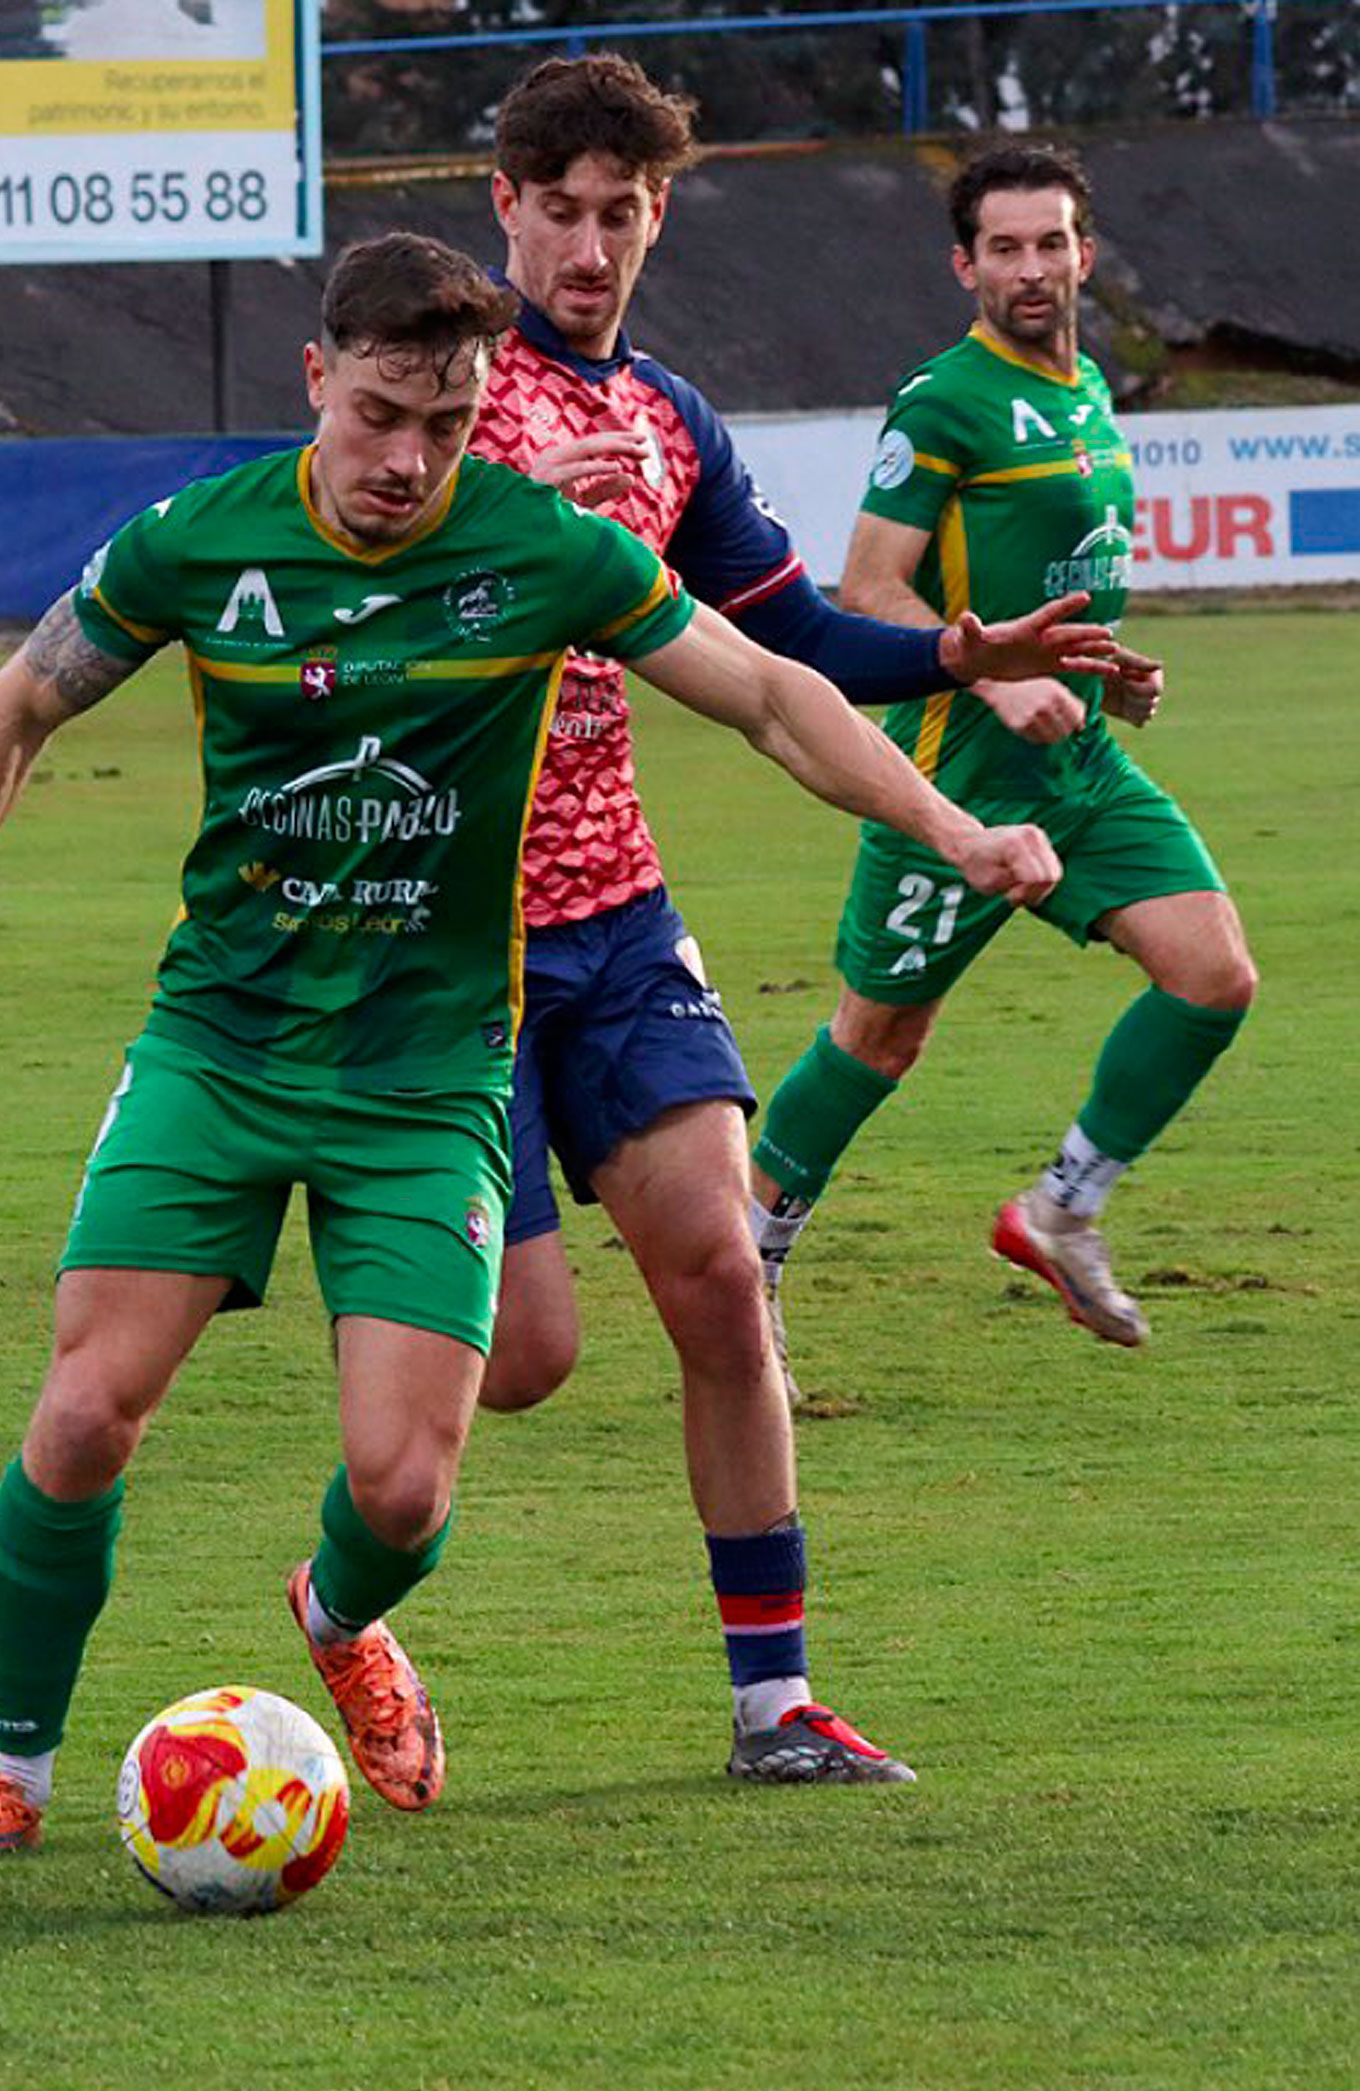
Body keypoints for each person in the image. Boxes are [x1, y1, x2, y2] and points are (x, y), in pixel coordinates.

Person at [0, 231, 1086, 1862]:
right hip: (219, 1045)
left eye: (444, 422)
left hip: (428, 1076)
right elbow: (17, 706)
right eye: (378, 417)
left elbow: (773, 697)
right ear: (317, 381)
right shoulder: (200, 541)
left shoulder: (543, 551)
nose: (407, 459)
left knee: (405, 1489)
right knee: (84, 1414)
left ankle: (343, 1614)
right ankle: (12, 1773)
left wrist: (949, 825)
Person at [466, 55, 1132, 1782]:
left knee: (719, 1285)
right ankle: (349, 1588)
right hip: (447, 945)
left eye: (625, 214)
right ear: (507, 210)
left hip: (614, 915)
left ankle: (776, 1706)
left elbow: (790, 642)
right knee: (523, 1358)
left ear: (662, 214)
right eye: (565, 213)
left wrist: (957, 655)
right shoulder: (446, 399)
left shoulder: (672, 420)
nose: (594, 248)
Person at [749, 144, 1255, 1354]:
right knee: (879, 1035)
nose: (1030, 269)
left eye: (1050, 243)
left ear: (1084, 251)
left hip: (1076, 772)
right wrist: (997, 674)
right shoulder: (944, 401)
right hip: (950, 780)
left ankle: (1057, 1210)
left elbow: (1064, 587)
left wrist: (1103, 679)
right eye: (1003, 248)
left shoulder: (1085, 393)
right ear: (963, 264)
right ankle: (748, 1258)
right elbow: (867, 589)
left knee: (1212, 974)